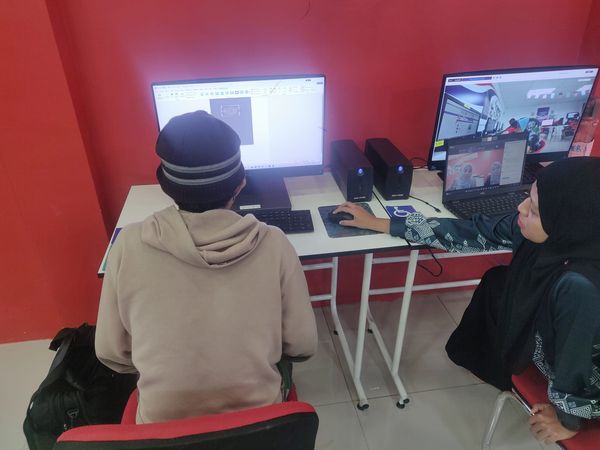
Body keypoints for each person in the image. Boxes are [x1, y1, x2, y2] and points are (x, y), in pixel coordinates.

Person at [333, 157, 600, 444]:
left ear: (568, 222)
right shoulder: (559, 235)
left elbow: (576, 357)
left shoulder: (579, 286)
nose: (521, 208)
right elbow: (472, 231)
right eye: (528, 198)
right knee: (498, 282)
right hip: (566, 336)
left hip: (590, 378)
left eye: (533, 210)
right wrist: (382, 224)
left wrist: (568, 419)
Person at [95, 110, 318, 424]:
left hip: (164, 432)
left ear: (165, 186)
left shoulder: (127, 245)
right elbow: (302, 345)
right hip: (258, 426)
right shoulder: (275, 244)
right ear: (240, 184)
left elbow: (111, 353)